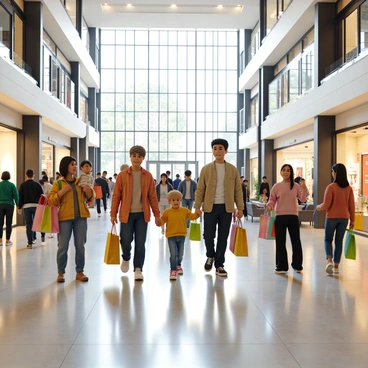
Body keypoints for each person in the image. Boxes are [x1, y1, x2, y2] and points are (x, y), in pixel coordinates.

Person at [194, 138, 243, 277]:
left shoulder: (233, 170)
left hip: (226, 208)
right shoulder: (206, 169)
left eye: (220, 148)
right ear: (212, 151)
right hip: (209, 208)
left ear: (226, 151)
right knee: (208, 236)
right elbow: (200, 189)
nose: (217, 151)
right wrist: (197, 206)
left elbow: (238, 191)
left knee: (223, 237)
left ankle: (220, 264)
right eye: (215, 148)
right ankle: (210, 255)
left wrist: (240, 207)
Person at [110, 145, 161, 281]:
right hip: (127, 214)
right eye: (134, 156)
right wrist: (113, 213)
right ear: (130, 156)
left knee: (140, 242)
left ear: (143, 158)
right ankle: (126, 257)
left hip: (142, 214)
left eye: (139, 156)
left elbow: (152, 197)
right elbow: (116, 196)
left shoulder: (148, 176)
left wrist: (157, 214)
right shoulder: (122, 175)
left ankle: (138, 268)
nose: (136, 159)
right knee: (125, 240)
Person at [48, 156, 94, 283]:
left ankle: (80, 272)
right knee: (63, 246)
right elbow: (51, 200)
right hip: (64, 218)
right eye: (72, 164)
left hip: (81, 218)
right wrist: (62, 191)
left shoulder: (81, 182)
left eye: (75, 164)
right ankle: (61, 273)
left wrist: (89, 191)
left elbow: (91, 198)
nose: (75, 167)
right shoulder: (58, 183)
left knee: (80, 246)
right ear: (65, 166)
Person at [266, 164, 307, 274]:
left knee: (296, 241)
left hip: (293, 216)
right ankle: (281, 266)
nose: (286, 172)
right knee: (280, 242)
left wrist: (304, 189)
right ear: (280, 172)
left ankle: (297, 265)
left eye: (288, 170)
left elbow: (303, 199)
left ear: (291, 172)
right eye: (284, 170)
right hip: (279, 217)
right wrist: (269, 206)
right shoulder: (276, 186)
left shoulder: (296, 186)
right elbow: (272, 199)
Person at [316, 163, 355, 275]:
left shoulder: (331, 187)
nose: (332, 173)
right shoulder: (349, 189)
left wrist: (319, 207)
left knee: (328, 239)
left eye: (332, 171)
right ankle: (336, 265)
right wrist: (352, 220)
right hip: (344, 218)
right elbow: (351, 205)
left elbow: (326, 205)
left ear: (336, 173)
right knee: (339, 242)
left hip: (331, 218)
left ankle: (329, 260)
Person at [159, 190, 200, 280]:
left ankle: (178, 265)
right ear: (169, 201)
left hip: (181, 235)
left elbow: (191, 216)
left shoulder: (184, 211)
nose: (176, 202)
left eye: (178, 200)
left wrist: (197, 214)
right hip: (171, 236)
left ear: (180, 200)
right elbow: (162, 221)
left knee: (180, 253)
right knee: (173, 254)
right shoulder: (167, 212)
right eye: (173, 200)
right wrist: (158, 222)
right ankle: (173, 270)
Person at [18, 169, 45, 249]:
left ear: (26, 175)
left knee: (29, 224)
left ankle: (30, 243)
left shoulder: (23, 185)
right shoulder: (37, 184)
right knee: (39, 222)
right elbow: (42, 196)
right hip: (37, 206)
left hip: (26, 206)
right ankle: (42, 235)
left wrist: (19, 207)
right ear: (34, 175)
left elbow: (21, 197)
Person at [0, 171, 19, 246]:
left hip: (0, 205)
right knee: (9, 223)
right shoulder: (12, 185)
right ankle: (8, 240)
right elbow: (16, 196)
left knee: (0, 223)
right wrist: (18, 205)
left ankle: (0, 239)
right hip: (9, 205)